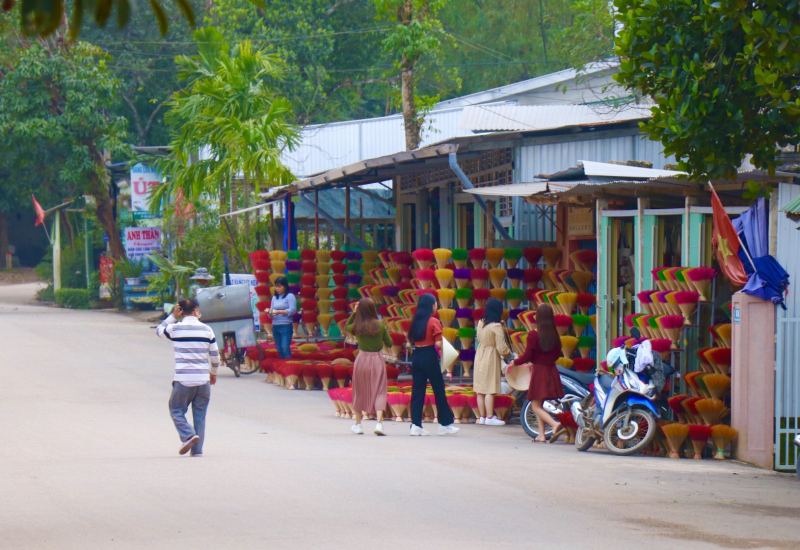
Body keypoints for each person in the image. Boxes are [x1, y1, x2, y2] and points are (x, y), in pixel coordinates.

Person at [156, 297, 220, 456]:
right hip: (203, 380)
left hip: (183, 381)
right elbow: (215, 356)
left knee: (176, 410)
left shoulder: (175, 329)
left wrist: (172, 316)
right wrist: (213, 374)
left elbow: (159, 331)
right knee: (200, 415)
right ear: (196, 311)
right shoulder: (207, 330)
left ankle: (188, 435)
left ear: (181, 311)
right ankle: (197, 450)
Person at [510, 303, 564, 443]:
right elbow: (557, 355)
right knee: (540, 403)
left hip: (539, 371)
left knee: (535, 405)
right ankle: (541, 435)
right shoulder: (555, 335)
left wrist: (515, 362)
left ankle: (554, 424)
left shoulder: (533, 335)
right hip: (551, 370)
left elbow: (527, 355)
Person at [407, 293, 459, 436]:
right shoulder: (433, 321)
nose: (436, 305)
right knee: (438, 389)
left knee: (417, 391)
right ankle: (444, 424)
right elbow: (438, 343)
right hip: (429, 356)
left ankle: (416, 425)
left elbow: (410, 340)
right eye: (435, 303)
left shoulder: (416, 321)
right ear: (432, 306)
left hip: (417, 356)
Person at [346, 298, 392, 436]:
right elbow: (389, 344)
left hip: (362, 359)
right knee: (379, 391)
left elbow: (346, 326)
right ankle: (379, 423)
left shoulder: (357, 326)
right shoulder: (381, 325)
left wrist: (354, 313)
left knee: (359, 390)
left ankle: (358, 424)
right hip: (377, 359)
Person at [474, 297, 513, 426]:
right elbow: (502, 348)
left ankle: (482, 417)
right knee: (490, 388)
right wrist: (510, 354)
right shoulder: (496, 326)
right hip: (491, 356)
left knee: (480, 389)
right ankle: (490, 417)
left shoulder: (481, 322)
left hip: (480, 354)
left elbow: (487, 332)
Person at [269, 276, 296, 359]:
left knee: (285, 348)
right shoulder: (274, 297)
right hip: (275, 325)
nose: (277, 288)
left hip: (286, 326)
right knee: (279, 349)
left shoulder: (290, 296)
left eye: (280, 286)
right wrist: (269, 312)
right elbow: (271, 312)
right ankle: (282, 366)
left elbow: (292, 310)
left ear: (285, 286)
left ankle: (289, 366)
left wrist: (279, 312)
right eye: (276, 286)